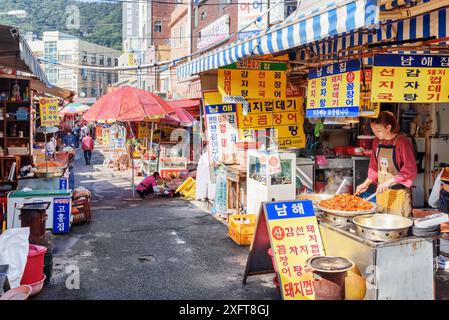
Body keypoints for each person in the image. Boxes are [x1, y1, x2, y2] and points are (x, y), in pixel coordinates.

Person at [355, 111, 417, 217]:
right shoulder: (377, 142)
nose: (375, 134)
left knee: (399, 226)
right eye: (373, 130)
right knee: (382, 223)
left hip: (399, 194)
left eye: (378, 130)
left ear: (388, 127)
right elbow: (374, 167)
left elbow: (409, 169)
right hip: (382, 193)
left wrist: (389, 182)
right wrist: (366, 183)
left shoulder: (402, 142)